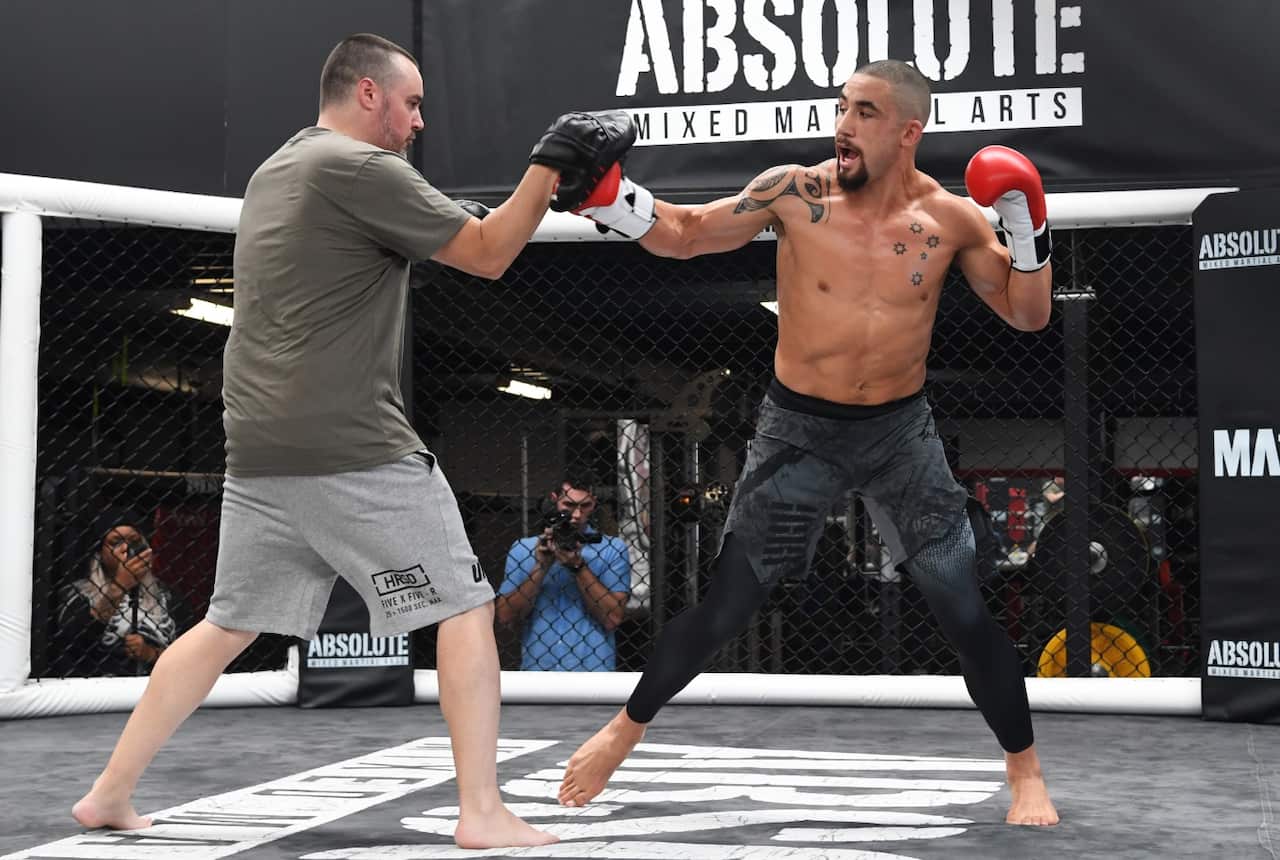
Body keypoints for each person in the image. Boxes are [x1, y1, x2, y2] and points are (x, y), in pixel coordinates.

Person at [71, 32, 634, 850]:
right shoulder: (359, 169)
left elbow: (438, 236)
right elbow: (488, 254)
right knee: (466, 605)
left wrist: (534, 190)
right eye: (410, 105)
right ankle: (482, 813)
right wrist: (547, 165)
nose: (417, 124)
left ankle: (108, 792)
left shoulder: (281, 167)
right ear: (367, 94)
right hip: (351, 443)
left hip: (261, 443)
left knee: (225, 624)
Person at [556, 59, 1060, 826]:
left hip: (899, 435)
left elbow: (1029, 315)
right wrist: (612, 201)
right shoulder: (794, 191)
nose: (843, 127)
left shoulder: (952, 220)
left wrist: (1029, 230)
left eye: (864, 113)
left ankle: (1024, 770)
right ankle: (623, 733)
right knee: (726, 605)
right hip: (799, 430)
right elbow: (688, 234)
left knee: (961, 607)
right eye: (841, 108)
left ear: (908, 131)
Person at [496, 477, 631, 670]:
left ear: (593, 503)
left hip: (593, 671)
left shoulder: (612, 549)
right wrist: (541, 566)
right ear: (554, 500)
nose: (576, 515)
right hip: (539, 670)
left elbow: (612, 618)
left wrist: (578, 567)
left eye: (585, 506)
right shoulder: (523, 549)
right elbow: (506, 617)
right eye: (569, 505)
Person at [54, 515, 195, 677]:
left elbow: (191, 655)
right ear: (99, 551)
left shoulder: (167, 596)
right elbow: (72, 646)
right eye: (115, 542)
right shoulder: (77, 594)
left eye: (134, 541)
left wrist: (150, 654)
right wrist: (120, 586)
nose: (126, 548)